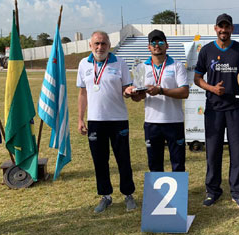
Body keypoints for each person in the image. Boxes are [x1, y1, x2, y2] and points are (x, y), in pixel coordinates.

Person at [194, 13, 239, 208]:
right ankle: (213, 191)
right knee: (213, 152)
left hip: (237, 107)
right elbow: (197, 78)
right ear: (215, 28)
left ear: (232, 29)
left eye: (227, 27)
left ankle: (238, 192)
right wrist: (212, 88)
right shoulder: (207, 50)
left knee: (237, 152)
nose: (224, 30)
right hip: (214, 108)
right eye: (221, 27)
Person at [77, 31, 137, 213]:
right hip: (95, 121)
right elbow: (83, 93)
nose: (100, 47)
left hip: (118, 120)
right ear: (90, 45)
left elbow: (126, 87)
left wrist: (128, 92)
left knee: (123, 159)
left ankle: (128, 194)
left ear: (109, 45)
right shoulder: (83, 64)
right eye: (96, 44)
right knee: (100, 160)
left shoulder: (120, 63)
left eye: (103, 44)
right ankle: (105, 196)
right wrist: (80, 118)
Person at [124, 29, 189, 172]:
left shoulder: (177, 66)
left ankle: (177, 194)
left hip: (174, 121)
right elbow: (139, 97)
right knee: (154, 164)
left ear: (167, 45)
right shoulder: (141, 67)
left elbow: (184, 92)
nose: (157, 45)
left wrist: (160, 90)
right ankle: (157, 195)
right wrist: (130, 93)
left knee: (178, 163)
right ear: (149, 47)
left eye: (160, 42)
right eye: (153, 42)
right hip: (152, 123)